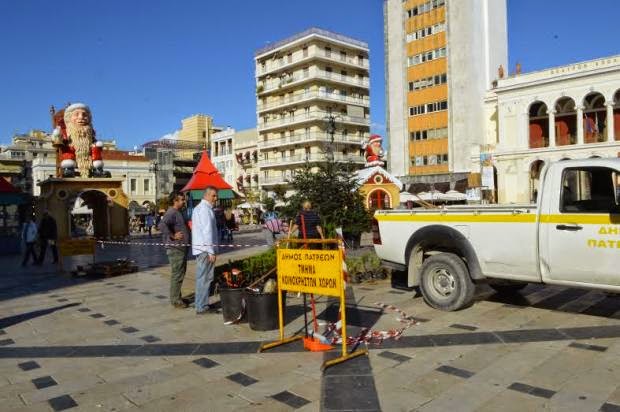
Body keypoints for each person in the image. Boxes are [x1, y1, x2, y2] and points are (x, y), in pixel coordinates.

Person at [158, 192, 190, 309]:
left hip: (180, 248)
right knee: (177, 274)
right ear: (175, 201)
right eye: (181, 200)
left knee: (179, 273)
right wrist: (173, 236)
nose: (183, 201)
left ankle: (177, 297)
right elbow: (161, 225)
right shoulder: (171, 212)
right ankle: (176, 300)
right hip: (175, 248)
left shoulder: (177, 212)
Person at [191, 186, 219, 314]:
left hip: (201, 248)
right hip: (205, 250)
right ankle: (201, 306)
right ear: (206, 195)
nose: (216, 198)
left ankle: (201, 303)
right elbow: (207, 232)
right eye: (213, 195)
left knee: (202, 277)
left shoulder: (199, 208)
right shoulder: (205, 210)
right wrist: (211, 251)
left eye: (216, 195)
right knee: (205, 278)